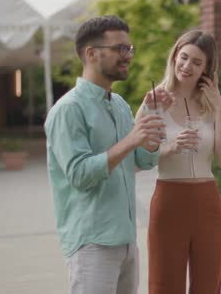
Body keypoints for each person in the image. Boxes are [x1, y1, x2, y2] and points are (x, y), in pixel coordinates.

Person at [44, 15, 172, 294]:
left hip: (126, 240)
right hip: (92, 243)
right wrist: (130, 140)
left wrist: (151, 124)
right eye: (119, 49)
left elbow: (143, 161)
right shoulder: (68, 110)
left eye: (129, 49)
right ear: (91, 54)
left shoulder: (122, 105)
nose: (127, 56)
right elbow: (79, 175)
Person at [135, 30, 221, 294]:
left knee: (208, 284)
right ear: (174, 57)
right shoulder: (154, 100)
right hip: (169, 200)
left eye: (196, 62)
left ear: (206, 69)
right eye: (184, 57)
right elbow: (138, 159)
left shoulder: (212, 105)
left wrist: (220, 108)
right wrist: (170, 147)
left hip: (208, 202)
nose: (187, 66)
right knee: (164, 284)